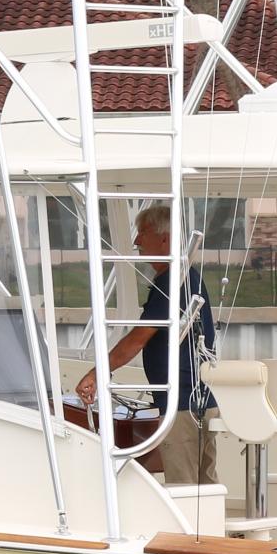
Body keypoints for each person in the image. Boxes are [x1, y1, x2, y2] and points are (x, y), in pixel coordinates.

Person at [74, 205, 218, 485]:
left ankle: (188, 532)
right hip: (200, 400)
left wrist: (96, 374)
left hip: (182, 405)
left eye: (143, 233)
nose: (137, 242)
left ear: (164, 240)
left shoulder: (172, 283)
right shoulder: (186, 278)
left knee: (184, 487)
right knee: (206, 486)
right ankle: (212, 531)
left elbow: (137, 340)